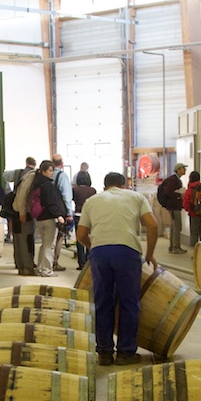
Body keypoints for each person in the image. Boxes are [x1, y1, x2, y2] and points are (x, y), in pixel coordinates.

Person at [76, 171, 157, 366]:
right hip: (127, 252)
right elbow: (152, 226)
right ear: (124, 185)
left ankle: (104, 352)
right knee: (129, 303)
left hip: (100, 254)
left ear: (104, 187)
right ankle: (125, 353)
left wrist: (94, 246)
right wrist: (150, 253)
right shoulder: (136, 197)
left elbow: (80, 234)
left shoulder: (92, 201)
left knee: (103, 302)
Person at [29, 160, 66, 277]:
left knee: (44, 244)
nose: (52, 173)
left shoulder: (36, 183)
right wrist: (59, 215)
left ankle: (39, 268)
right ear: (44, 171)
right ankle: (47, 270)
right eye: (50, 171)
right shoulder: (48, 185)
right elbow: (51, 202)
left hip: (39, 218)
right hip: (49, 218)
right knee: (49, 245)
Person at [6, 157, 38, 275]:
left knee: (18, 239)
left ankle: (20, 265)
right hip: (23, 212)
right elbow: (23, 196)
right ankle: (27, 267)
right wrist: (23, 213)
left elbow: (5, 175)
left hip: (16, 211)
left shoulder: (18, 173)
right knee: (26, 239)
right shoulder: (32, 177)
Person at [51, 154, 74, 271]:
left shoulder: (47, 174)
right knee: (59, 237)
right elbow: (66, 195)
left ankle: (47, 262)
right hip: (60, 211)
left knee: (49, 239)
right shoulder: (62, 176)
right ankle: (54, 262)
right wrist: (69, 213)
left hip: (47, 211)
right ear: (62, 163)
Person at [158, 163, 186, 253]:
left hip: (173, 205)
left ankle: (172, 246)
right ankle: (176, 247)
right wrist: (179, 194)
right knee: (177, 226)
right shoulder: (174, 180)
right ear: (178, 169)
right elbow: (168, 192)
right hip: (174, 206)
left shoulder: (175, 179)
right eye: (183, 168)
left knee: (174, 226)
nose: (184, 170)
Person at [72, 175, 96, 269]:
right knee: (89, 238)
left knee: (80, 239)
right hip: (90, 215)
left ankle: (81, 263)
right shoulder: (92, 190)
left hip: (78, 215)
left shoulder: (75, 190)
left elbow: (72, 199)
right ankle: (89, 261)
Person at [181, 170, 201, 248]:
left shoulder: (189, 190)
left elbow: (185, 204)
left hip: (194, 215)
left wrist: (190, 210)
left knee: (194, 234)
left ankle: (194, 253)